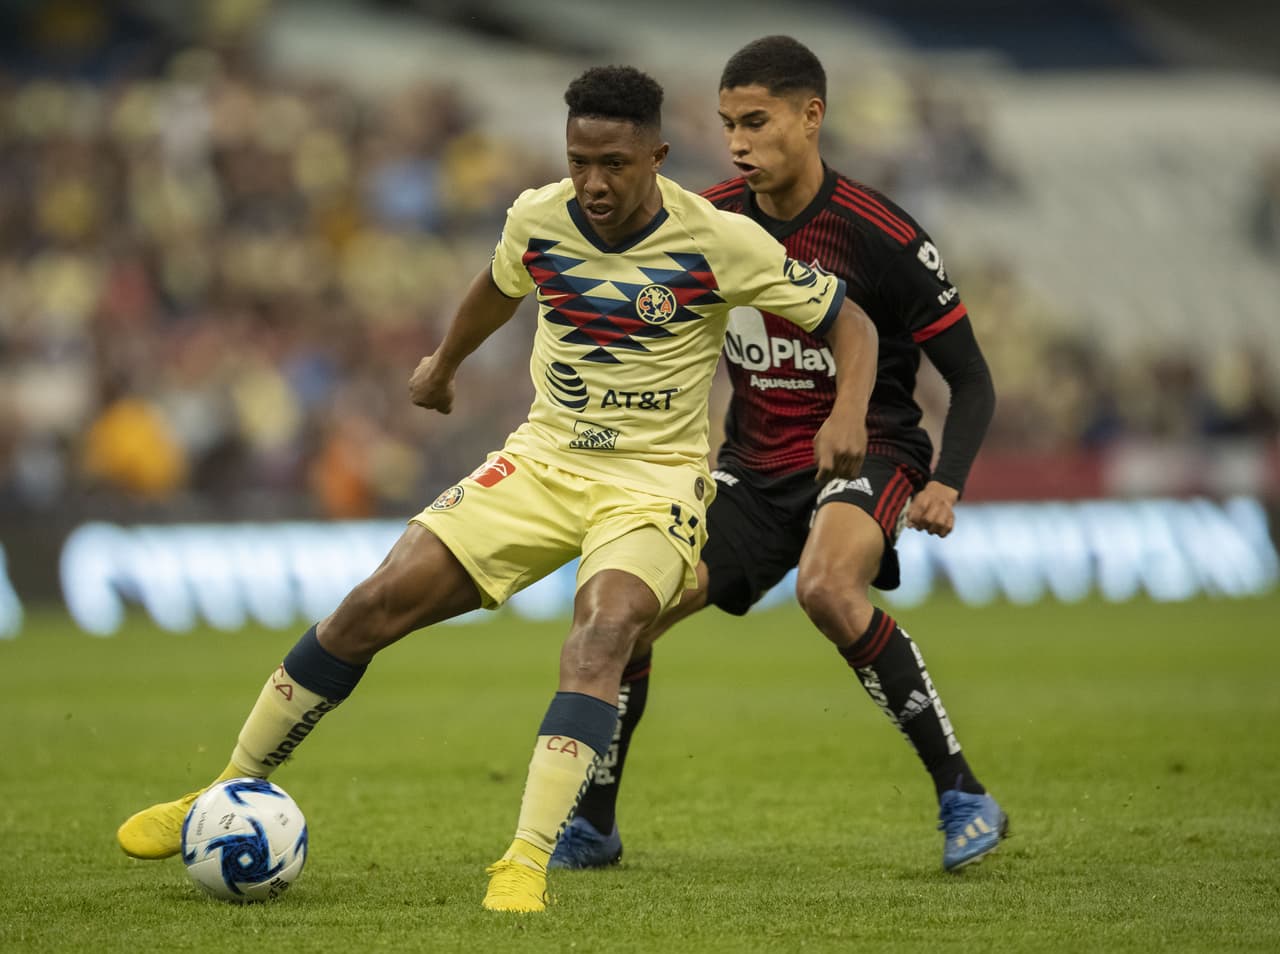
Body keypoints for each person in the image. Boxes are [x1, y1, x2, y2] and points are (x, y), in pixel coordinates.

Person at [115, 64, 880, 913]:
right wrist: (444, 363)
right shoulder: (538, 216)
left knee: (604, 634)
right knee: (371, 604)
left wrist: (846, 414)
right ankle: (223, 788)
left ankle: (523, 860)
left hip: (652, 483)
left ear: (657, 156)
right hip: (544, 460)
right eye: (579, 160)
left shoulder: (719, 242)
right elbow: (499, 283)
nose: (593, 182)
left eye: (615, 165)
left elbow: (852, 321)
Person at [550, 37, 1006, 875]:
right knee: (630, 613)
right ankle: (597, 826)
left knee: (827, 587)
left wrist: (946, 480)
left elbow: (972, 380)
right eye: (726, 124)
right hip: (751, 472)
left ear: (811, 116)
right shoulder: (707, 218)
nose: (737, 142)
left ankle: (962, 793)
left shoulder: (881, 235)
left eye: (755, 121)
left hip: (868, 454)